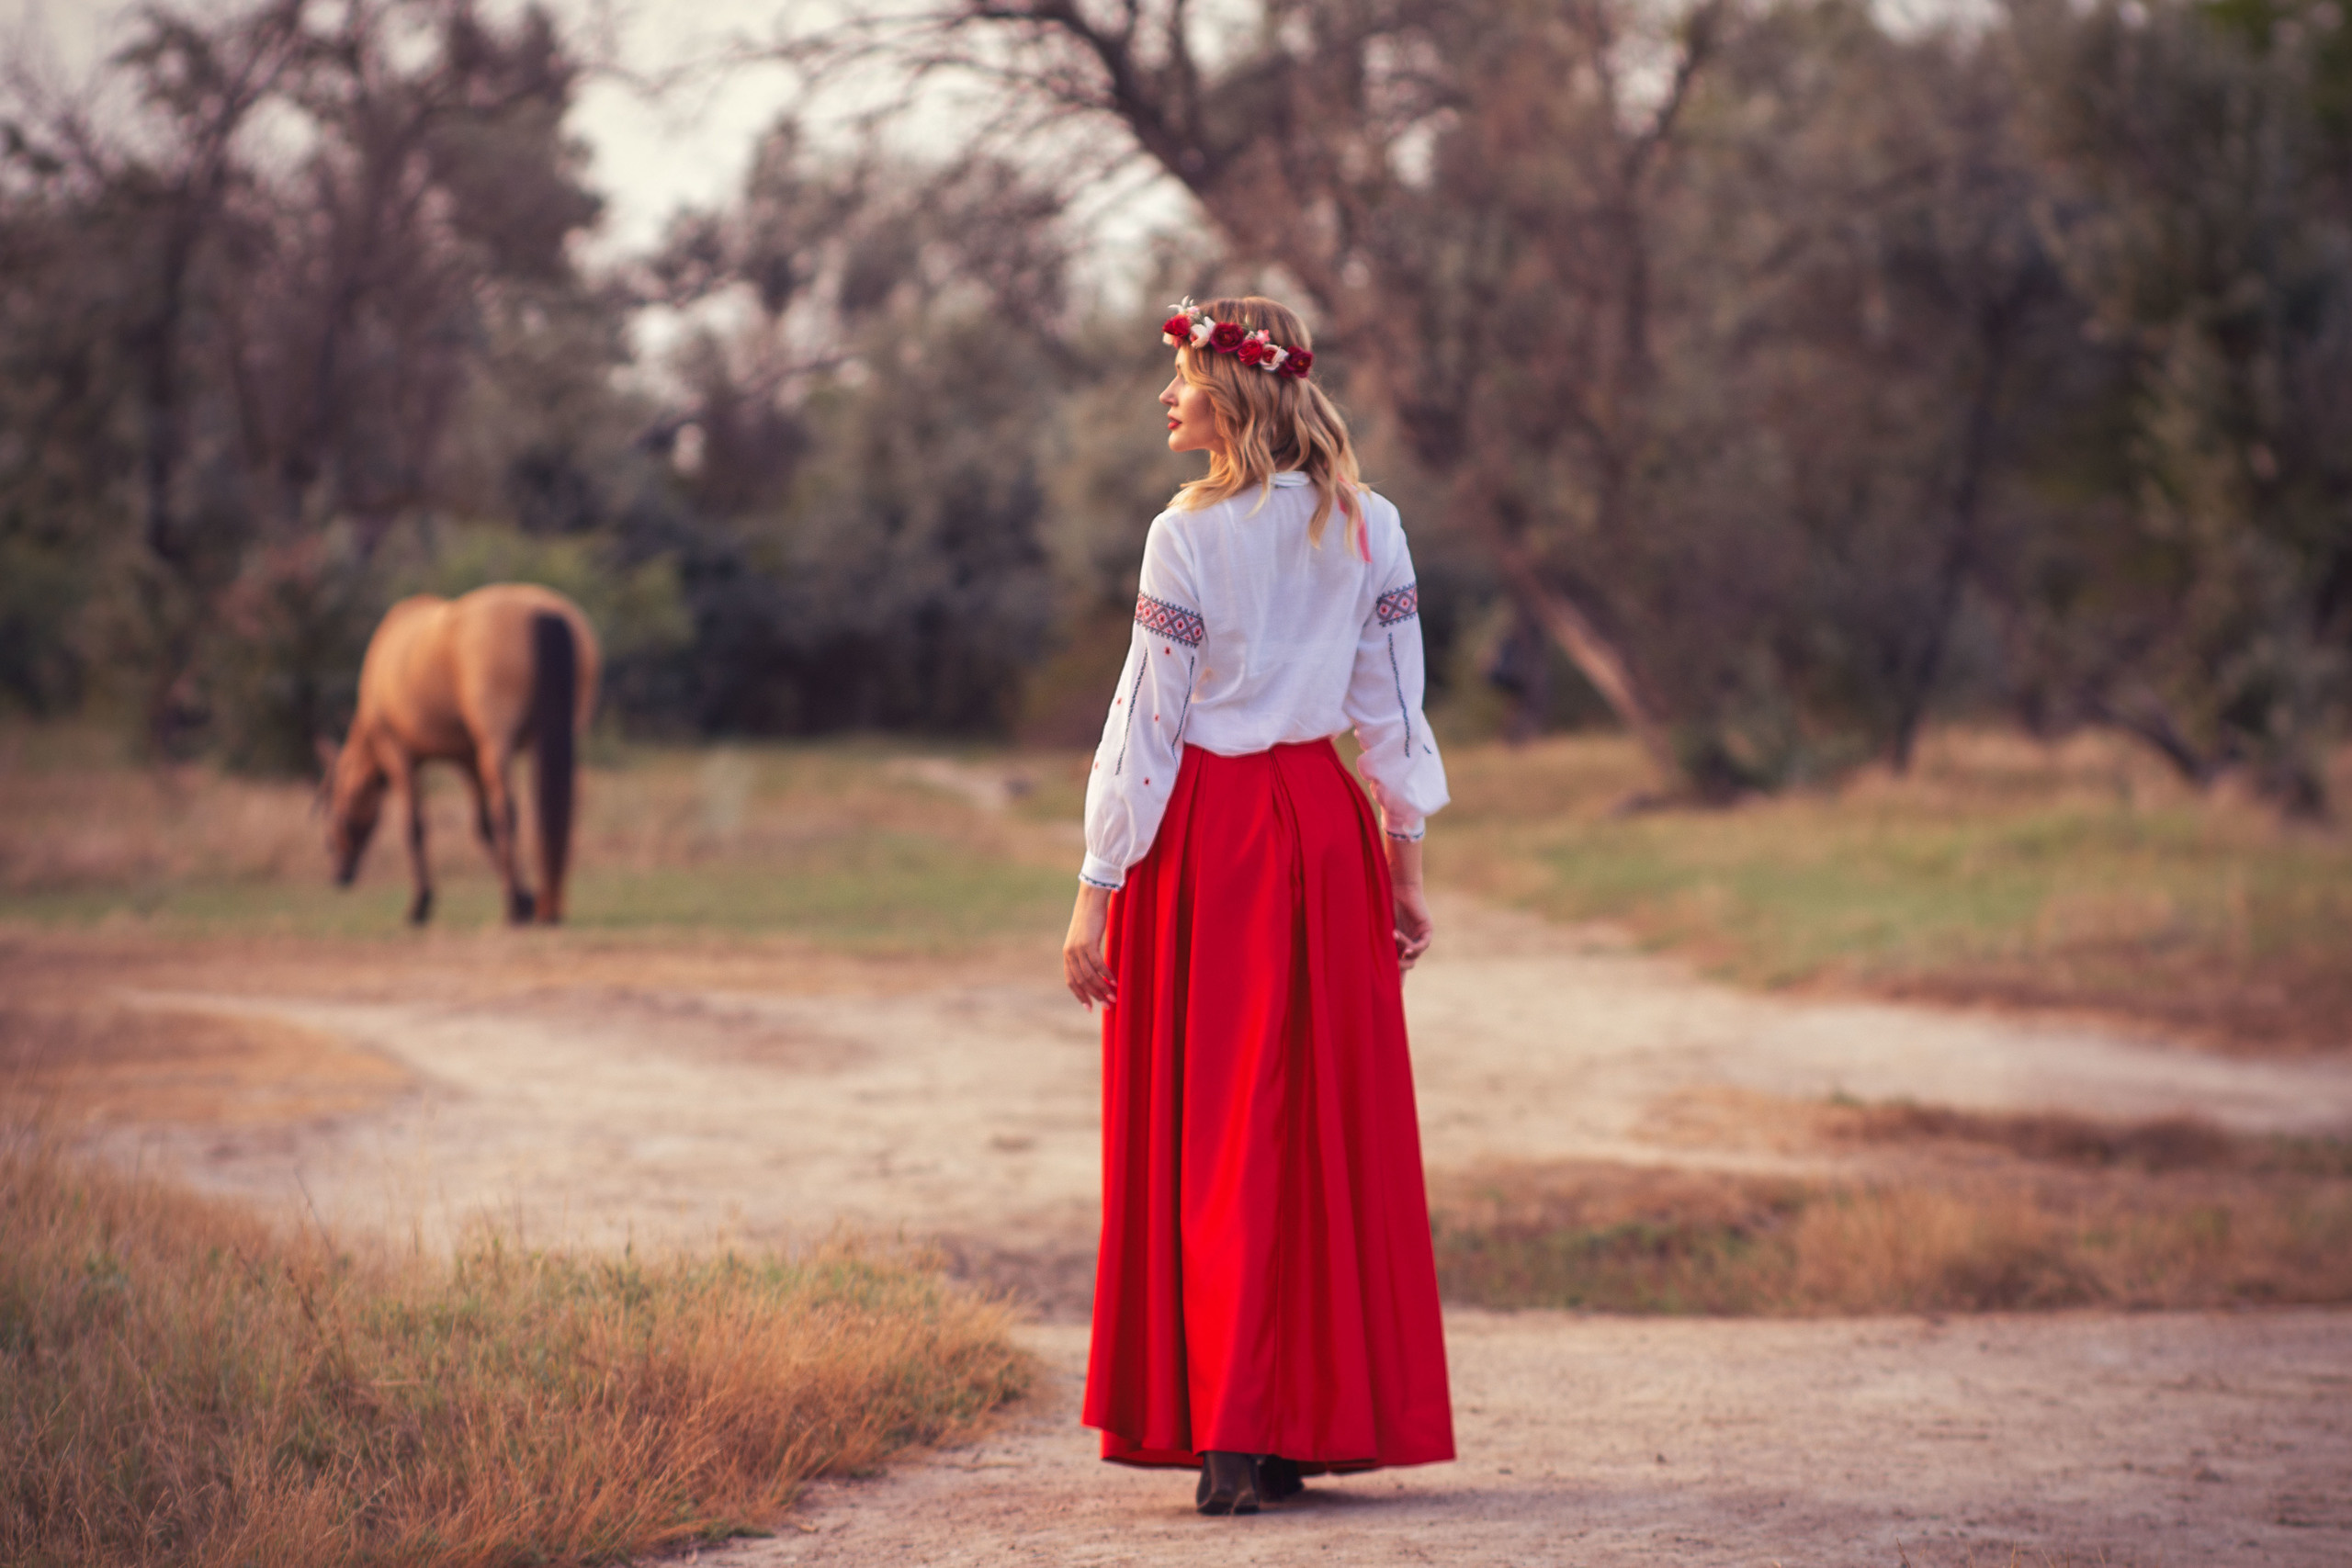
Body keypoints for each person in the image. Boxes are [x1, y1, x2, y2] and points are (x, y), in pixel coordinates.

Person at [1060, 295, 1456, 1517]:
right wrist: (1401, 863)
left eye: (1180, 377)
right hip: (1324, 834)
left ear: (1231, 391)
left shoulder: (1185, 535)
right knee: (1311, 1135)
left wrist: (1095, 889)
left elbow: (1149, 724)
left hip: (1210, 844)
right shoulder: (1367, 525)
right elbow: (1391, 707)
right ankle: (1282, 1429)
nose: (1166, 398)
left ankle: (1232, 1434)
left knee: (1218, 1130)